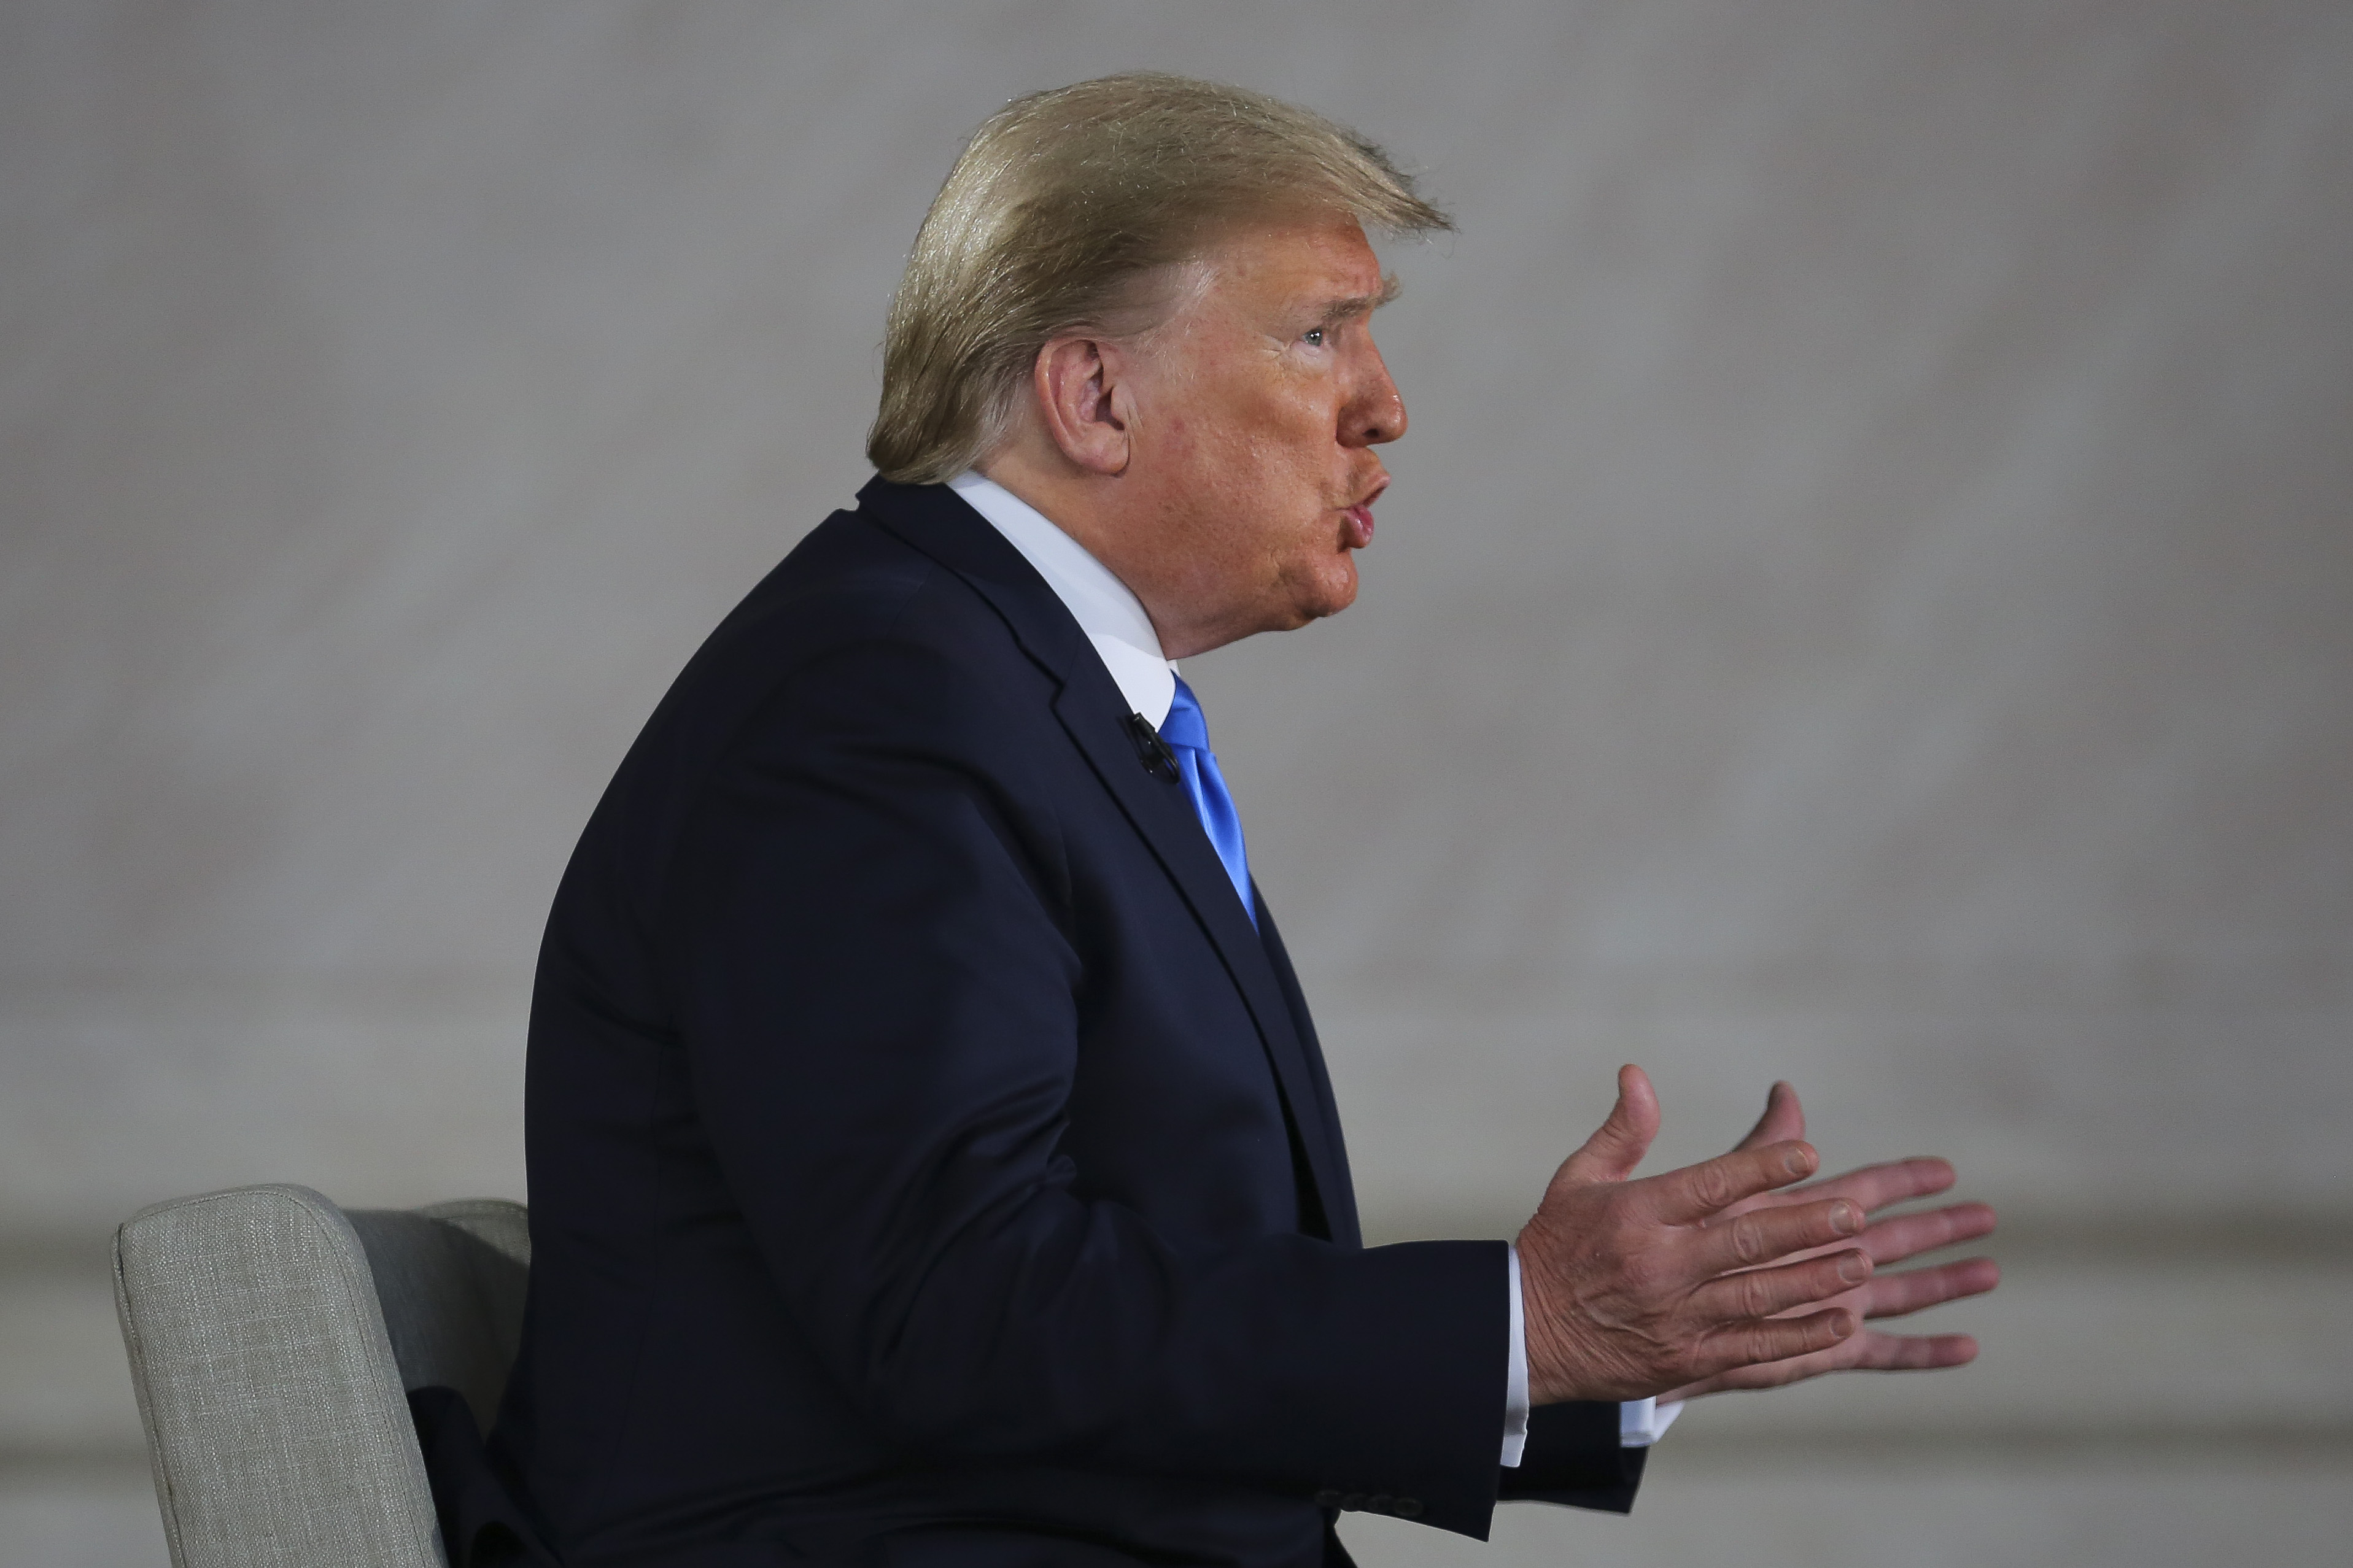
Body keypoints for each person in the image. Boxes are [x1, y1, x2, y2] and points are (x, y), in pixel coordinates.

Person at [486, 74, 1999, 1568]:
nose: (1386, 405)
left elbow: (1112, 1321)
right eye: (1320, 332)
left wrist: (1600, 1351)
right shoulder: (880, 700)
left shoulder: (1007, 686)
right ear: (1095, 396)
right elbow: (957, 1308)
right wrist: (1525, 1323)